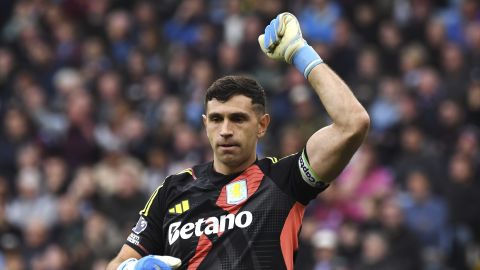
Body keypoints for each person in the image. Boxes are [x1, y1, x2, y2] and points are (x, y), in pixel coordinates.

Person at [106, 12, 369, 270]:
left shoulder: (284, 180)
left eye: (238, 119)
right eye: (217, 119)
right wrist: (133, 268)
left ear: (262, 125)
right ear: (205, 124)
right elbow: (115, 264)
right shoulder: (172, 191)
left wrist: (299, 51)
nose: (226, 130)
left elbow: (353, 124)